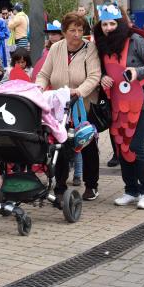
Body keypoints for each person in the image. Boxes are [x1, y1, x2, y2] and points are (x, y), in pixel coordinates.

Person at [94, 3, 144, 209]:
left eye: (112, 23)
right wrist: (103, 78)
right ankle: (131, 190)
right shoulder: (101, 45)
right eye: (104, 24)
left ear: (120, 23)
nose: (108, 28)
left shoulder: (135, 40)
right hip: (119, 104)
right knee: (123, 147)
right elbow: (101, 71)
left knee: (136, 145)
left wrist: (136, 72)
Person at [35, 12, 102, 202]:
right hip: (59, 106)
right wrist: (40, 86)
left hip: (83, 105)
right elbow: (44, 74)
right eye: (72, 30)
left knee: (86, 144)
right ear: (64, 32)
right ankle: (60, 185)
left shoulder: (90, 49)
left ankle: (91, 185)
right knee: (61, 146)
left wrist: (79, 91)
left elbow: (94, 76)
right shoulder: (56, 48)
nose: (76, 34)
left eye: (80, 30)